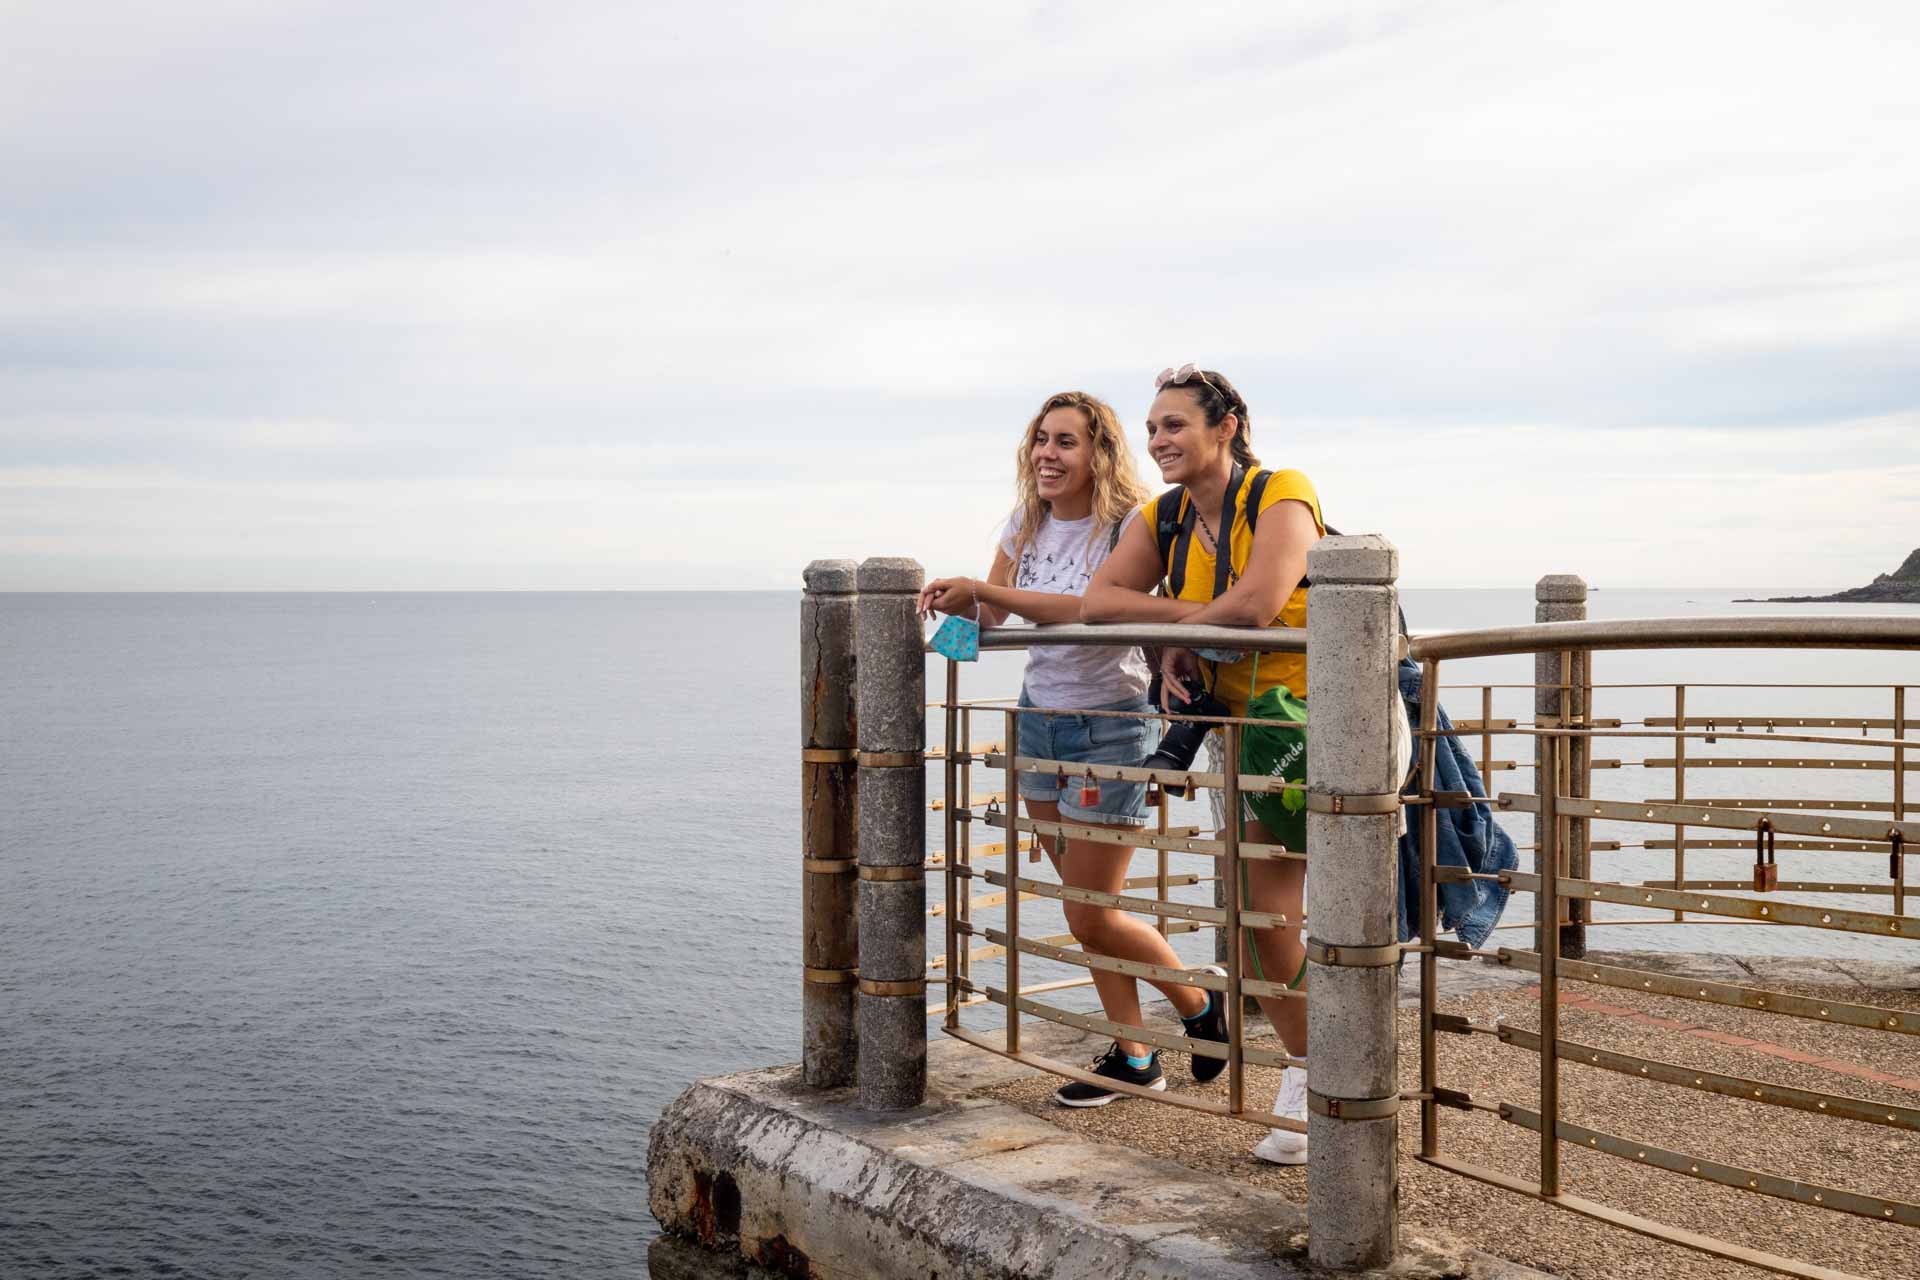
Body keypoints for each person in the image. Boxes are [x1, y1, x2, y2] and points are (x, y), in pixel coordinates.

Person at [919, 389, 1231, 1107]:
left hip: (1110, 727)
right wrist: (946, 621)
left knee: (1091, 911)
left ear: (1099, 453)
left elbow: (1089, 609)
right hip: (1039, 723)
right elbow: (996, 617)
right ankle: (1136, 1056)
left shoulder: (1130, 525)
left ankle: (1196, 1000)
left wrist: (983, 591)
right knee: (1081, 908)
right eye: (1040, 439)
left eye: (1065, 441)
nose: (1047, 455)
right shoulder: (1024, 522)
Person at [1081, 365, 1324, 1163]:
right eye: (1152, 428)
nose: (1158, 441)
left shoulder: (1282, 493)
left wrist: (1181, 629)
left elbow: (1259, 604)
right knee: (1265, 924)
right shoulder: (1168, 516)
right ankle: (1316, 1073)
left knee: (1316, 916)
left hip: (1327, 726)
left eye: (1175, 424)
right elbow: (1100, 603)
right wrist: (1194, 627)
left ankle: (1334, 1078)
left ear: (1227, 427)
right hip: (1251, 740)